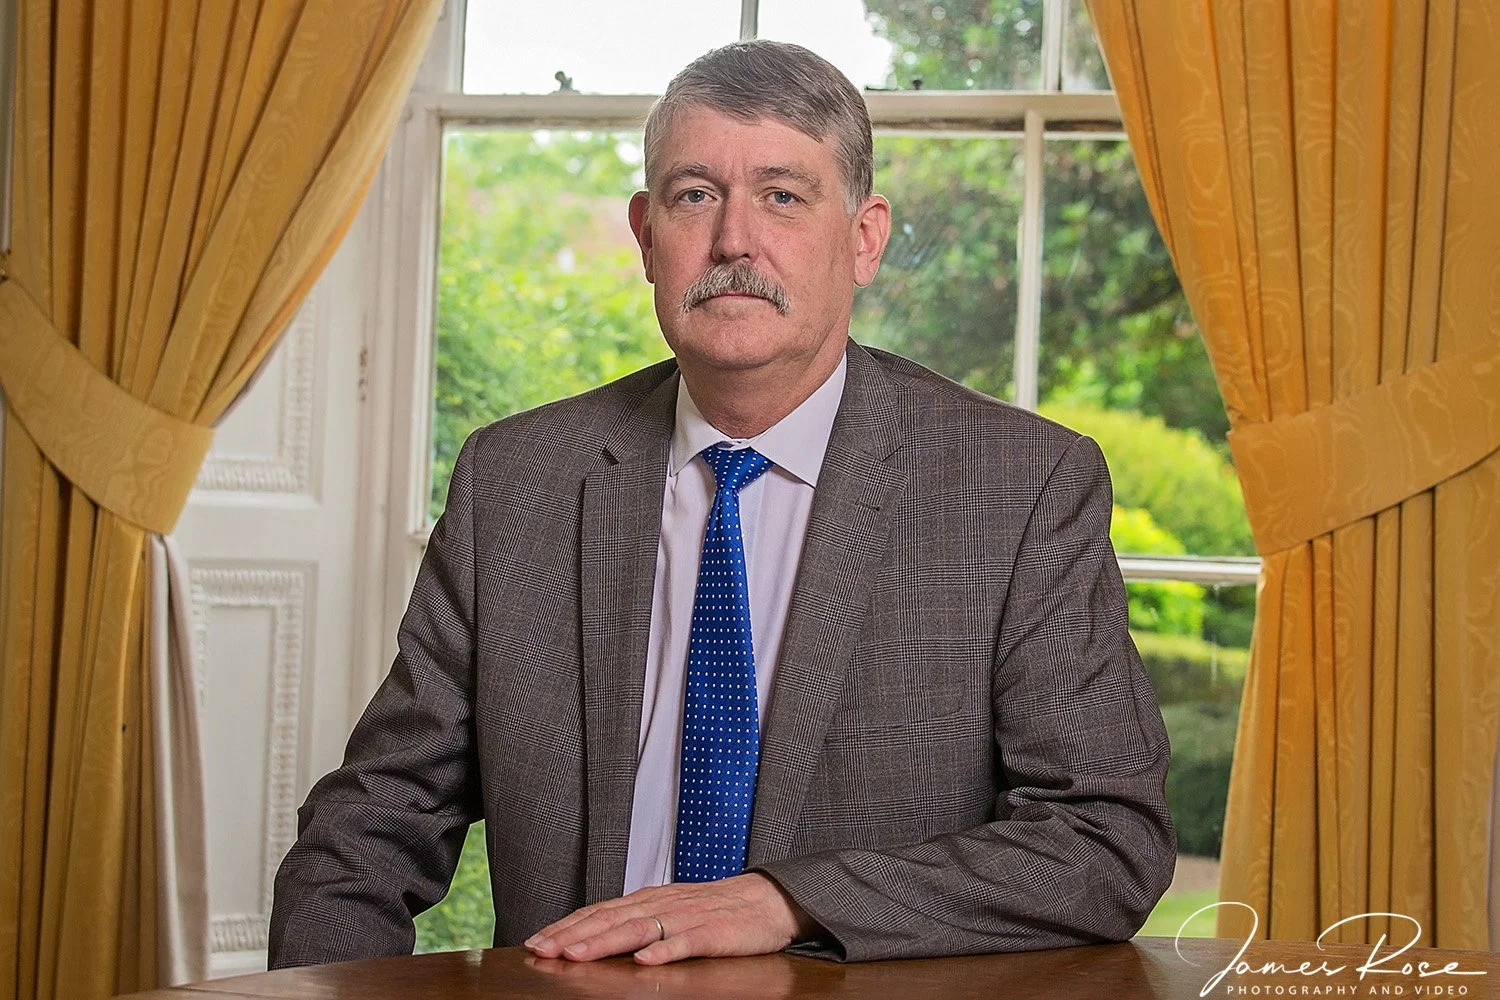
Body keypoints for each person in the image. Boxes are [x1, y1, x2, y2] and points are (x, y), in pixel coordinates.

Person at [267, 39, 1175, 969]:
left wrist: (787, 901)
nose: (735, 239)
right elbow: (364, 835)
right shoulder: (518, 481)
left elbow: (1104, 841)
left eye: (782, 196)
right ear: (645, 234)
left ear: (864, 239)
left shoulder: (1019, 488)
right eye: (695, 195)